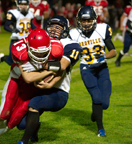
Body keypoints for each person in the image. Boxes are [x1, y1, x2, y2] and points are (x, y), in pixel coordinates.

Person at [0, 28, 64, 144]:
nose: (40, 56)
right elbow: (28, 78)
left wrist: (49, 74)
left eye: (43, 52)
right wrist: (49, 70)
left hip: (33, 89)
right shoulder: (20, 50)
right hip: (16, 81)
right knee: (4, 113)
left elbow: (62, 68)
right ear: (28, 47)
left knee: (13, 121)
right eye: (36, 52)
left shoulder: (56, 49)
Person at [17, 15, 83, 144]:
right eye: (51, 27)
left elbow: (62, 65)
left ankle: (23, 141)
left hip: (58, 91)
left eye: (58, 27)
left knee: (35, 104)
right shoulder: (42, 41)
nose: (53, 30)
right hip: (37, 88)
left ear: (65, 29)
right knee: (21, 124)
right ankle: (34, 129)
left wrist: (39, 63)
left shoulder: (71, 45)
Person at [69, 5, 117, 137]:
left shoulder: (102, 29)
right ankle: (100, 129)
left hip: (102, 68)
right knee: (96, 97)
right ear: (79, 21)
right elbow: (71, 54)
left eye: (88, 20)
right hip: (87, 69)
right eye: (83, 21)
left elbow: (113, 51)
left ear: (94, 20)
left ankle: (96, 113)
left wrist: (104, 56)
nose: (86, 24)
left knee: (105, 104)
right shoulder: (74, 34)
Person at [0, 0, 34, 67]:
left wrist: (40, 31)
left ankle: (23, 75)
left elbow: (32, 25)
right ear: (18, 5)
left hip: (26, 40)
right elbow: (6, 26)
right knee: (11, 62)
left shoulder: (30, 14)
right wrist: (14, 30)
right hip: (16, 40)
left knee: (26, 58)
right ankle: (2, 57)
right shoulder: (13, 13)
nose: (23, 6)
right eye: (21, 4)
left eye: (25, 5)